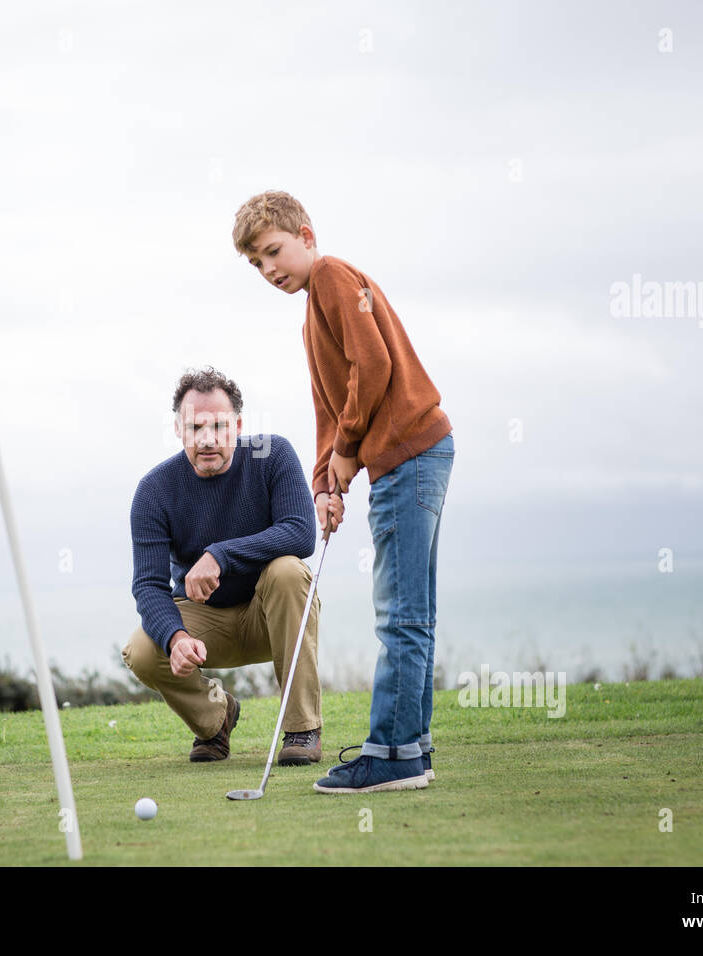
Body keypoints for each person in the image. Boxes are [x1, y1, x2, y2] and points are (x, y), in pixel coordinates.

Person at [232, 191, 454, 794]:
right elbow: (329, 405)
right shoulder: (311, 311)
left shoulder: (331, 275)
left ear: (306, 235)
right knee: (413, 613)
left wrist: (350, 452)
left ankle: (394, 756)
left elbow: (374, 366)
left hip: (407, 453)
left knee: (401, 615)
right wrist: (326, 481)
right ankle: (414, 747)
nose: (269, 269)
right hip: (407, 456)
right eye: (256, 263)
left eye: (274, 251)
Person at [122, 367, 325, 765]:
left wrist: (220, 554)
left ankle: (302, 731)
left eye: (219, 426)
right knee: (143, 650)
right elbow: (148, 585)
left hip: (273, 618)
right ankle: (216, 721)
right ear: (180, 430)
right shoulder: (154, 490)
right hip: (205, 626)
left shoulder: (274, 455)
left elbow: (301, 533)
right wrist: (177, 638)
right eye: (196, 427)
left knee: (288, 570)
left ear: (239, 426)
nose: (208, 439)